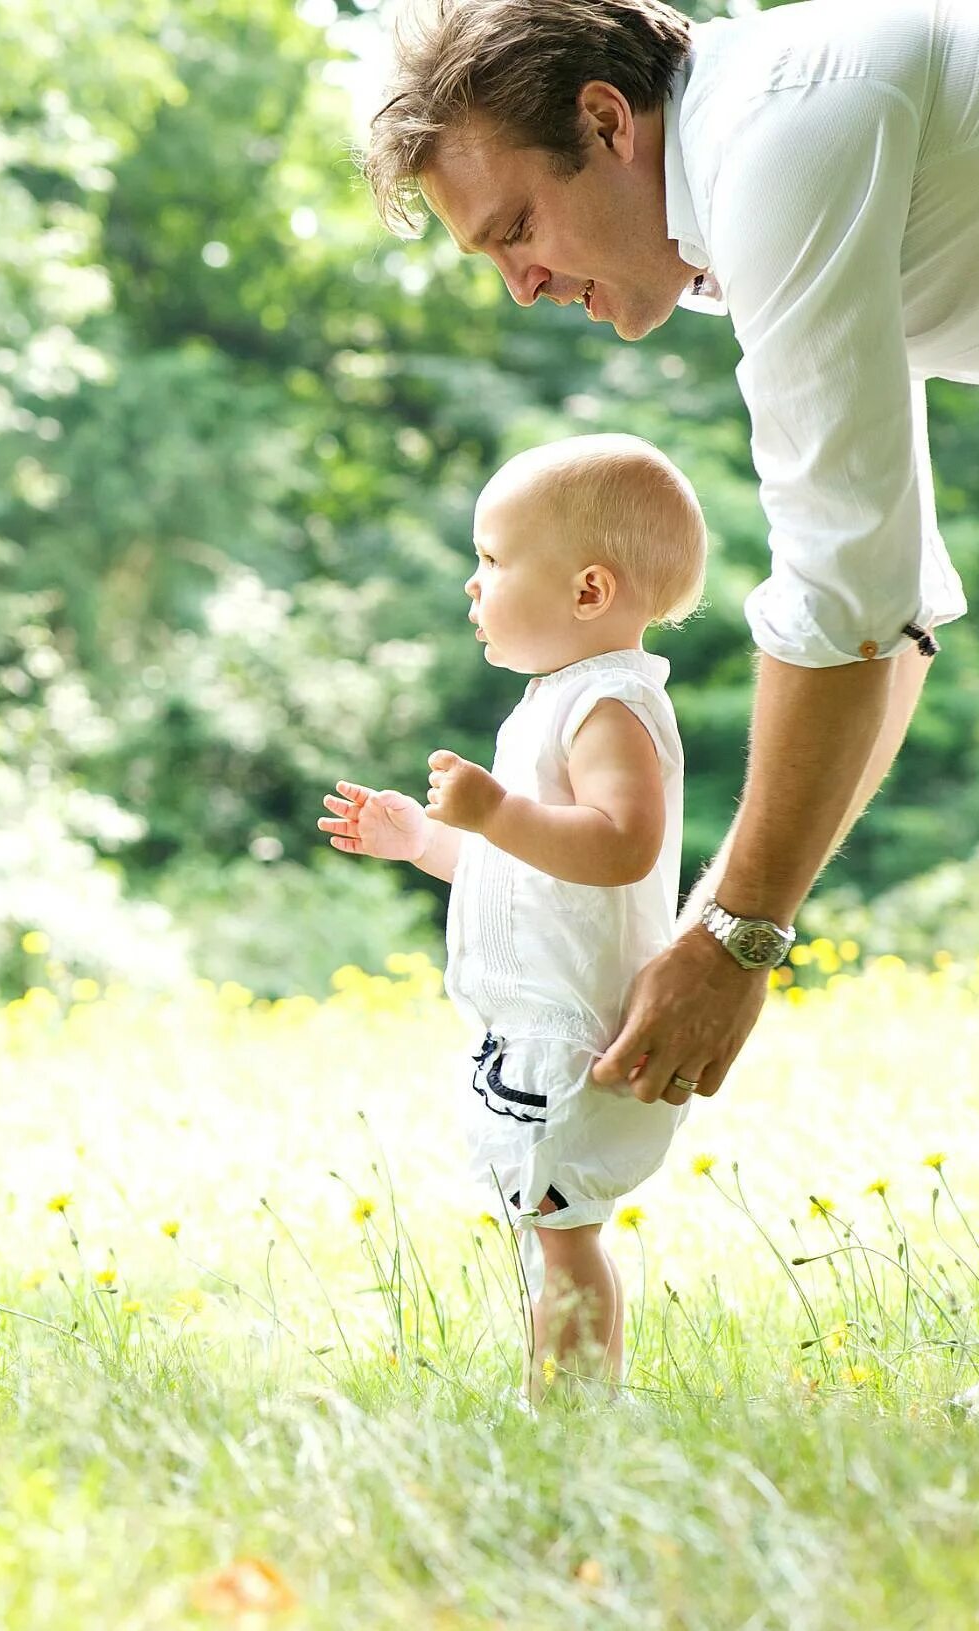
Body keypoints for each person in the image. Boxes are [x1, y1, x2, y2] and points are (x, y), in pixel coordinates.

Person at [361, 0, 979, 1380]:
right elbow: (884, 618)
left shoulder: (780, 136)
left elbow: (842, 600)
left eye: (516, 228)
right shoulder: (751, 184)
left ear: (605, 122)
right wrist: (738, 928)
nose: (519, 284)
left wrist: (734, 937)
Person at [319, 433, 706, 1400]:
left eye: (491, 561)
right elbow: (523, 872)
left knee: (562, 1230)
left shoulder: (608, 706)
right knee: (545, 1227)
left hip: (573, 1033)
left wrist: (494, 810)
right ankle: (560, 1395)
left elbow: (621, 843)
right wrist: (424, 842)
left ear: (586, 591)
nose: (471, 584)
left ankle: (569, 1412)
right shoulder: (550, 703)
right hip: (522, 1028)